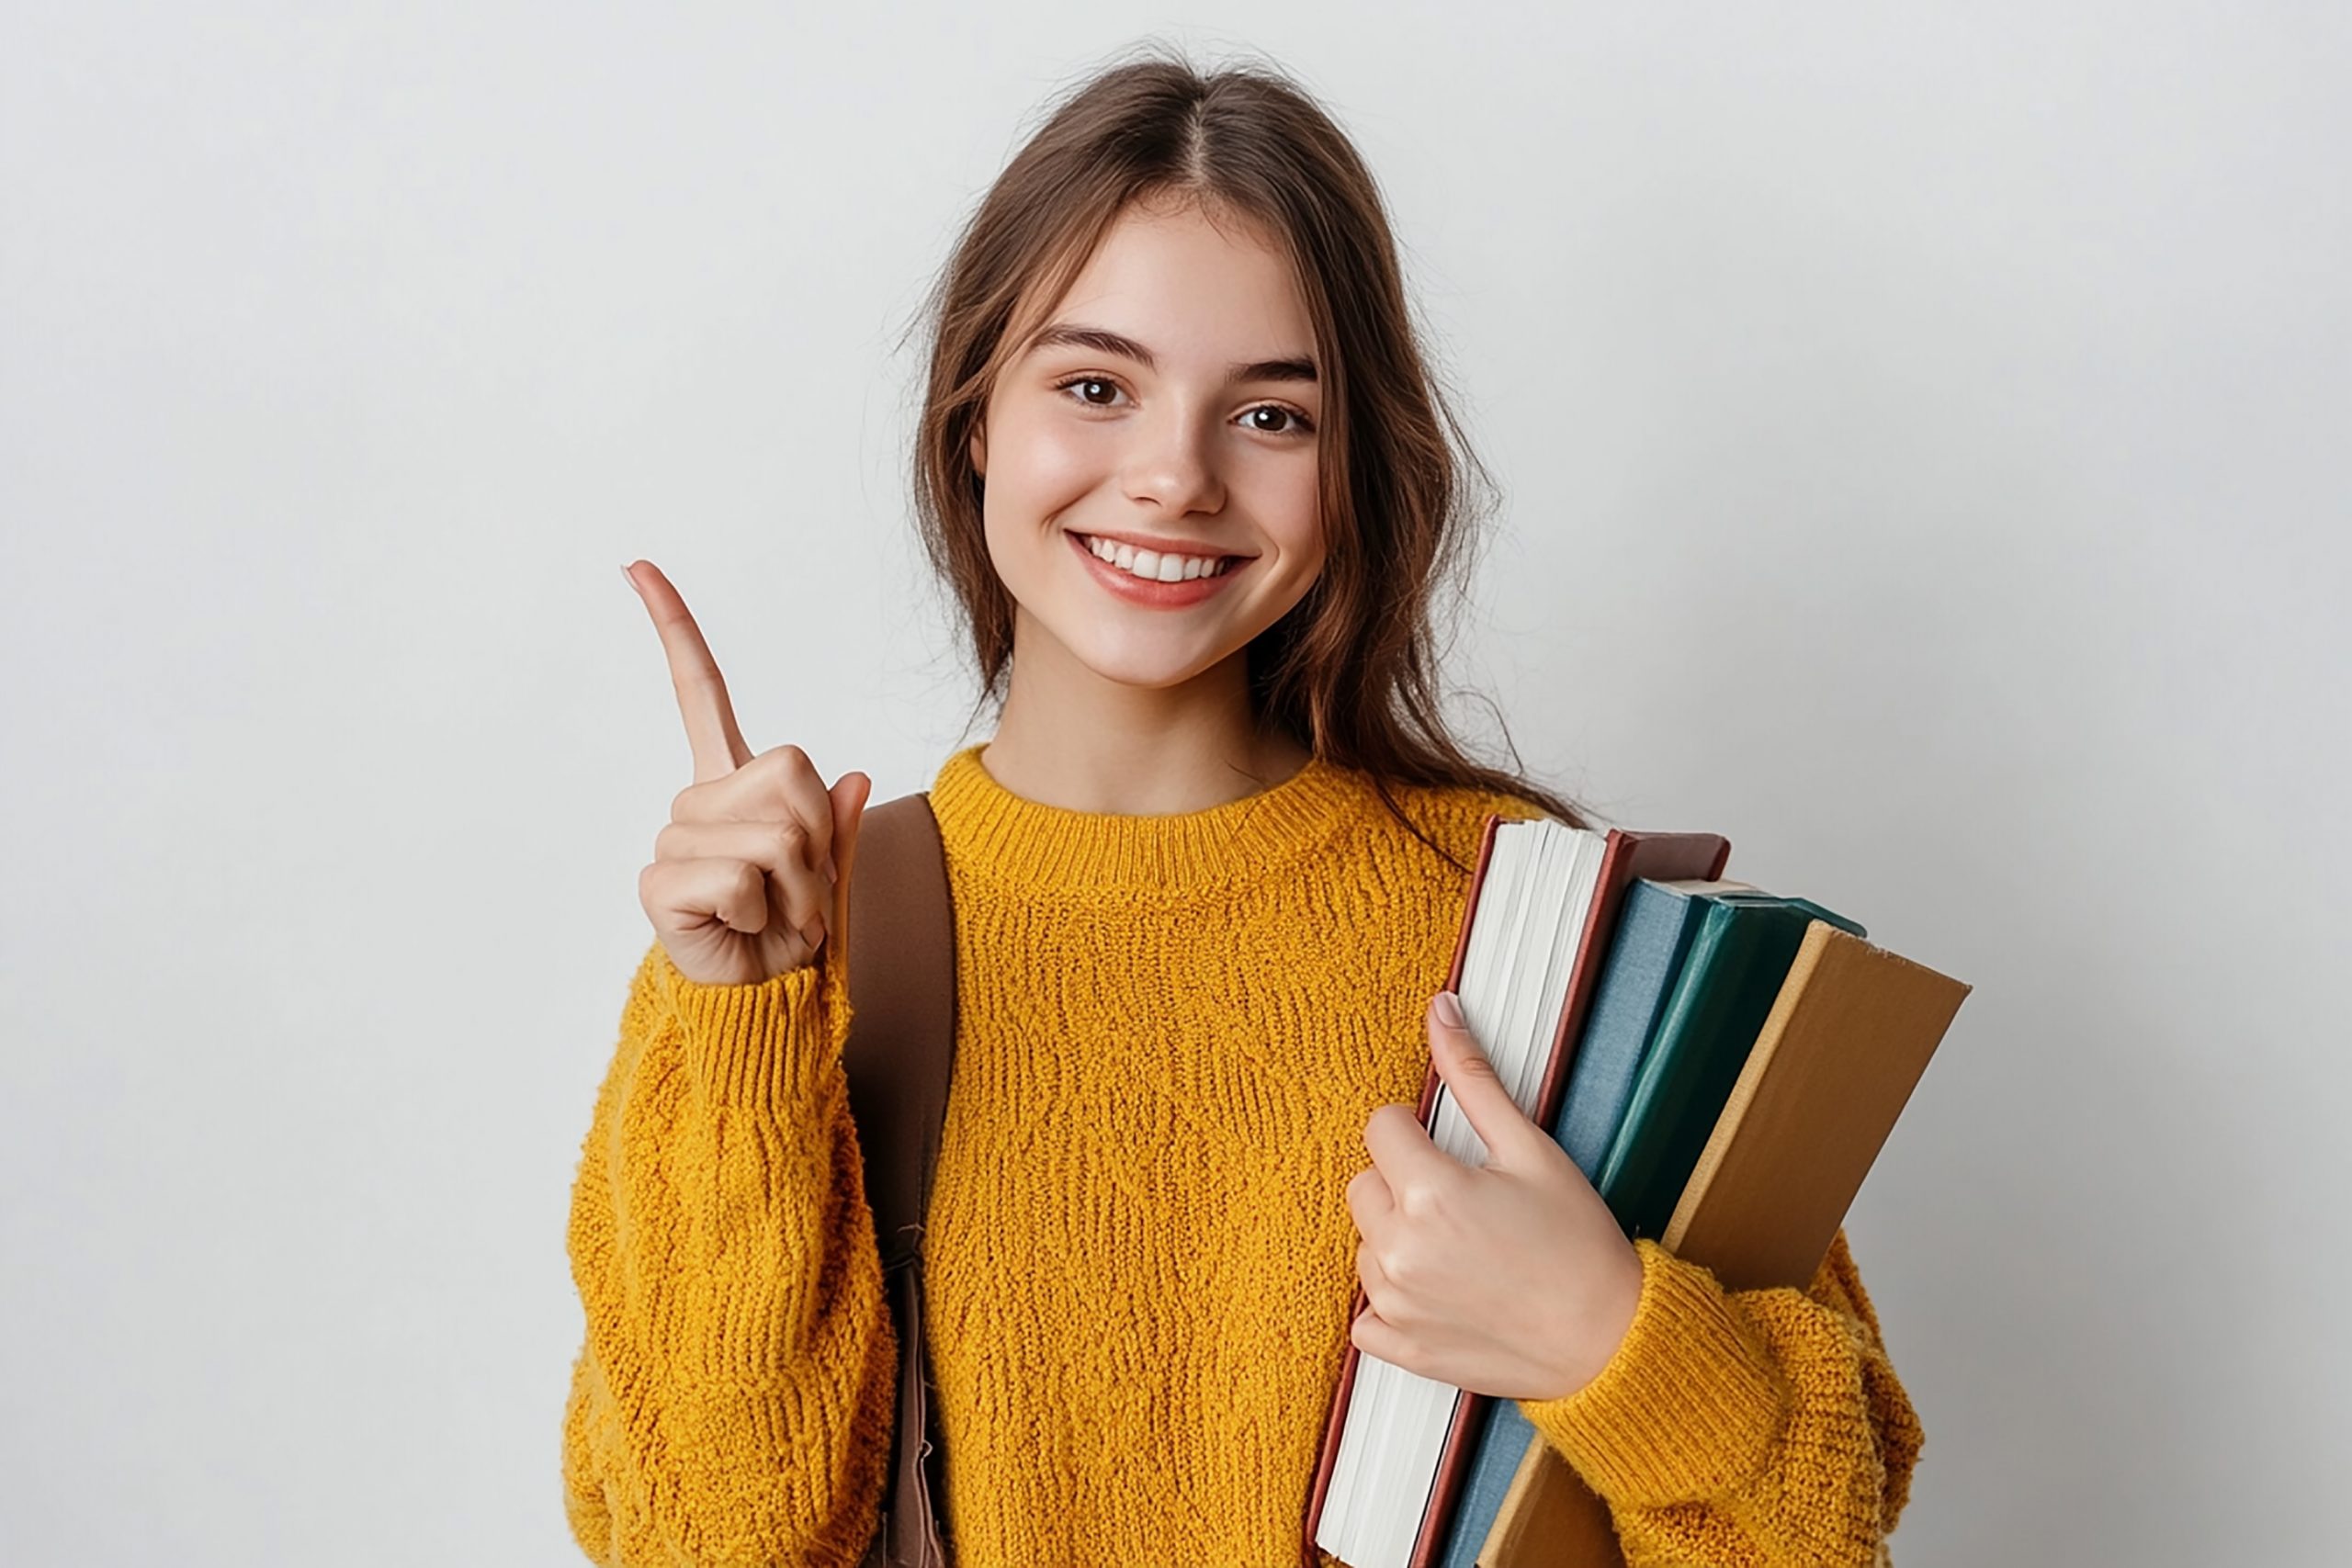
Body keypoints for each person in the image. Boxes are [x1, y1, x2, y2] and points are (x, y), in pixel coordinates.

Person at [560, 45, 1921, 1568]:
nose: (1173, 479)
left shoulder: (1547, 935)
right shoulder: (796, 953)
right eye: (1095, 386)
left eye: (1271, 416)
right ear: (974, 425)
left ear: (1354, 471)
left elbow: (1824, 1531)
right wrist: (743, 1027)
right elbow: (701, 1542)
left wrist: (1613, 1339)